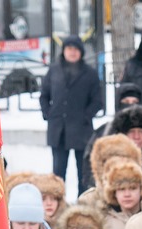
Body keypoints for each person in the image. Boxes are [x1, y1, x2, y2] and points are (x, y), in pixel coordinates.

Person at [41, 37, 102, 198]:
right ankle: (57, 204)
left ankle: (83, 203)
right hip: (58, 130)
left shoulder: (90, 73)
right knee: (58, 172)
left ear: (81, 52)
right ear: (64, 51)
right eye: (69, 49)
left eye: (76, 49)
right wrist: (48, 113)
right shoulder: (54, 70)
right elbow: (44, 95)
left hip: (81, 130)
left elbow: (97, 100)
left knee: (84, 173)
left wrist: (86, 116)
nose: (72, 52)